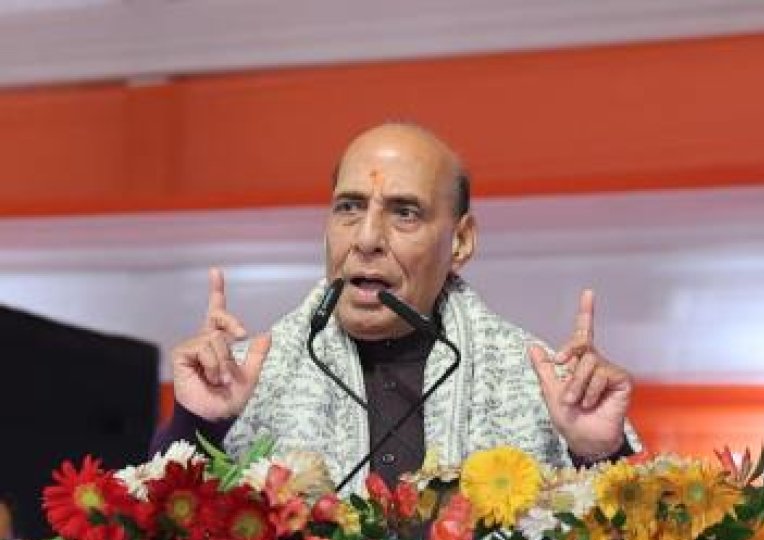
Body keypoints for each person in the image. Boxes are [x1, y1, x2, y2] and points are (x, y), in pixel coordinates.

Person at [152, 122, 640, 491]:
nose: (366, 239)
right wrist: (197, 423)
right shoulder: (245, 379)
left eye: (405, 213)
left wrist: (601, 455)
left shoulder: (543, 385)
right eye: (349, 207)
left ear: (461, 242)